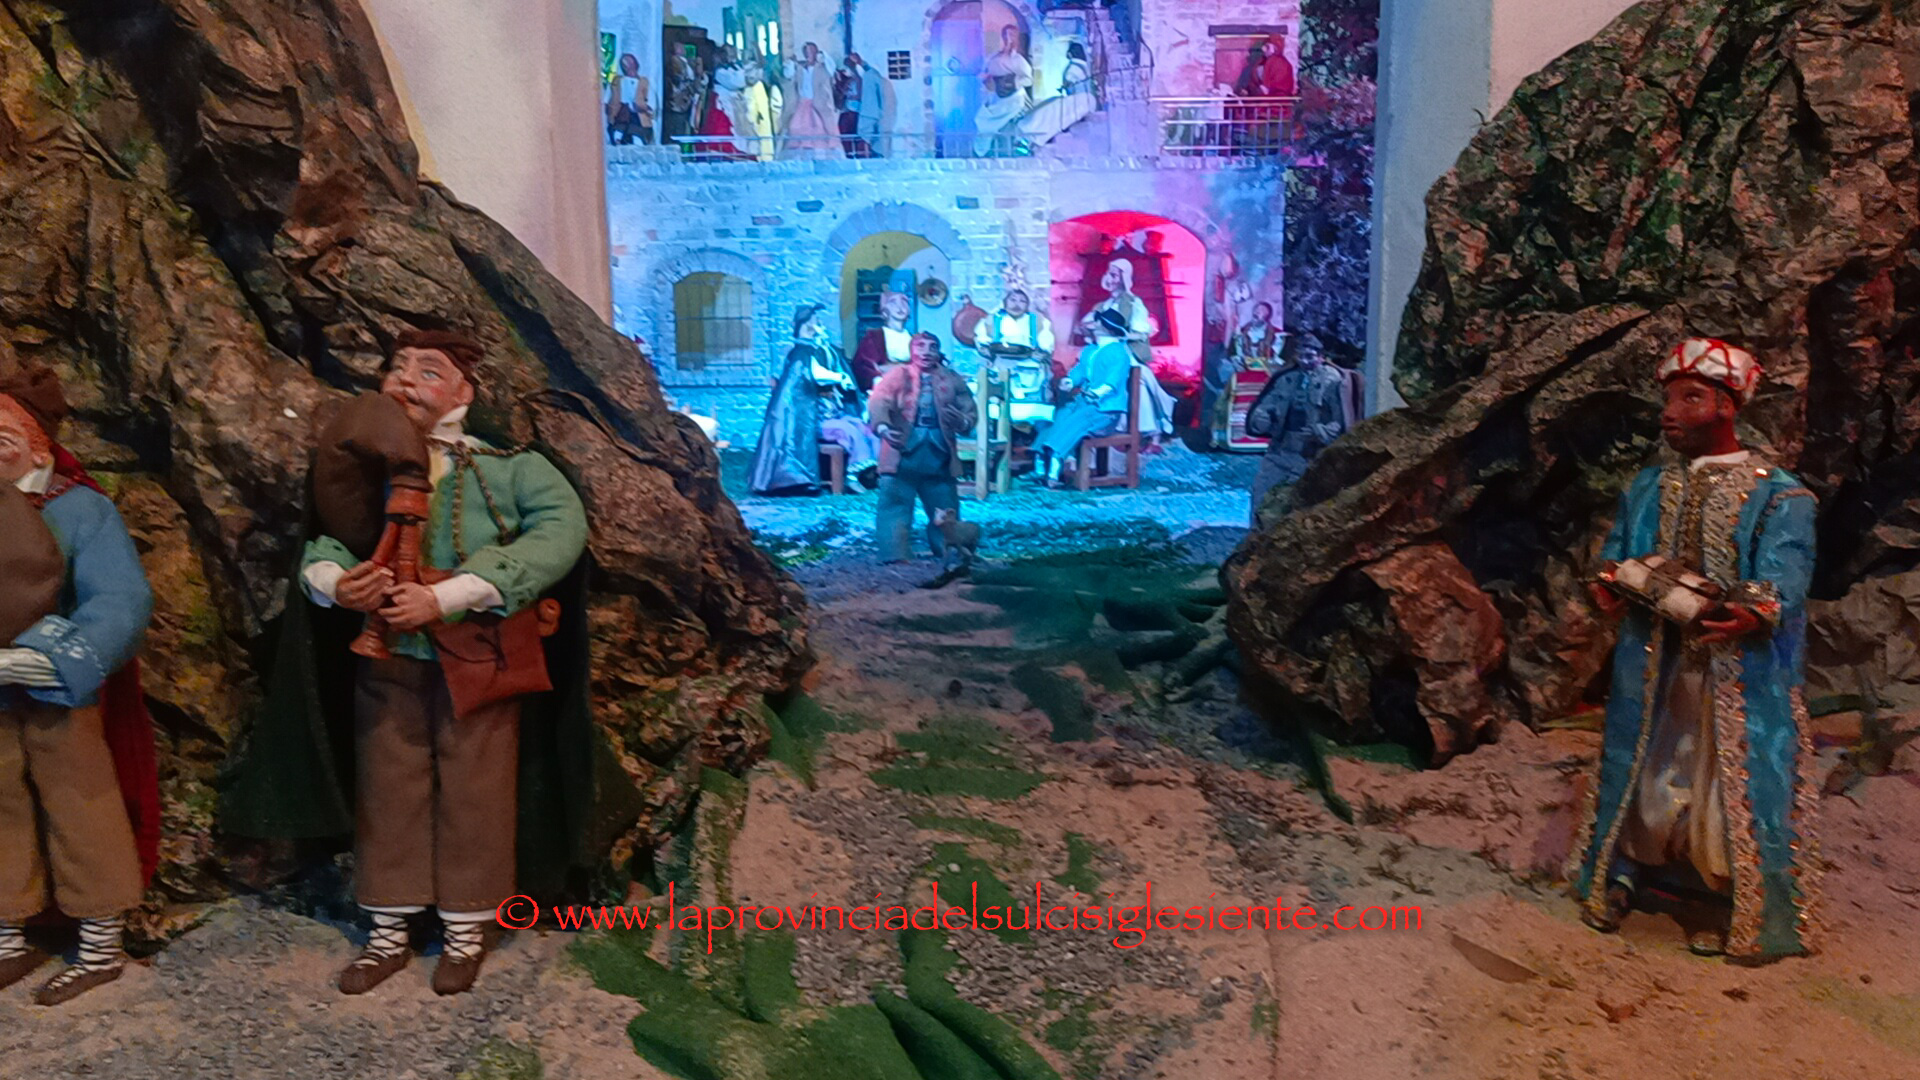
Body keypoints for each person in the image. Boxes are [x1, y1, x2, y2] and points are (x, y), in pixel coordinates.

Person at [222, 330, 592, 997]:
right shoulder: (368, 468)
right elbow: (330, 540)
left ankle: (466, 928)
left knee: (476, 791)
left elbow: (561, 530)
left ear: (464, 392)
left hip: (480, 657)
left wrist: (455, 593)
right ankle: (388, 930)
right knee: (389, 790)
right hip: (390, 657)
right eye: (396, 369)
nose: (404, 381)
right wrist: (336, 583)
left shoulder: (509, 468)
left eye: (428, 371)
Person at [1574, 338, 1822, 961]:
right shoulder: (1650, 485)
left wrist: (1755, 610)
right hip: (1655, 665)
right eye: (1668, 399)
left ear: (1727, 406)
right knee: (1649, 763)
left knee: (1725, 777)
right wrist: (1609, 581)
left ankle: (1729, 899)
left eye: (1690, 398)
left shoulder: (1779, 494)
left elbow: (1786, 570)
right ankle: (1629, 870)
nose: (1670, 413)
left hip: (1732, 674)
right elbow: (1620, 549)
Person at [0, 362, 157, 1006]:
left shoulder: (80, 509)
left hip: (56, 691)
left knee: (82, 808)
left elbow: (120, 598)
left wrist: (51, 657)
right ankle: (8, 934)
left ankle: (99, 944)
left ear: (38, 445)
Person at [868, 334, 977, 563]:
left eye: (932, 347)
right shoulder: (898, 375)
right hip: (903, 449)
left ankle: (947, 548)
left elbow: (968, 409)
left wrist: (963, 422)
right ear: (911, 350)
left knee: (944, 503)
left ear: (938, 352)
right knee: (894, 502)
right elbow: (879, 400)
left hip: (939, 450)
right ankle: (894, 552)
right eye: (920, 346)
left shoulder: (952, 378)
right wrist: (883, 427)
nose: (926, 352)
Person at [750, 304, 880, 494]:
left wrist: (844, 382)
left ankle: (873, 471)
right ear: (807, 325)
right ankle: (851, 475)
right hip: (813, 420)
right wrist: (839, 377)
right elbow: (815, 374)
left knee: (862, 427)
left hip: (832, 412)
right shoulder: (801, 353)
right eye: (815, 321)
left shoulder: (820, 349)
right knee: (849, 431)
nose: (820, 325)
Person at [1243, 344, 1362, 520]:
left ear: (1321, 357)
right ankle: (1258, 532)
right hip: (1281, 451)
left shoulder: (1332, 380)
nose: (1304, 361)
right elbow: (1266, 406)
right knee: (1262, 493)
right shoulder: (1286, 379)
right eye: (1301, 356)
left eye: (1310, 356)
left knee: (1307, 505)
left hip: (1312, 455)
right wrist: (1261, 418)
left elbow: (1341, 421)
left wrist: (1320, 432)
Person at [1080, 259, 1176, 443]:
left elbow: (1140, 333)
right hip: (1104, 353)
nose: (1110, 279)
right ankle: (1107, 428)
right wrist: (1090, 330)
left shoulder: (1133, 303)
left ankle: (1151, 433)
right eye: (1109, 274)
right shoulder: (1101, 306)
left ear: (1124, 278)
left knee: (1139, 384)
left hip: (1124, 353)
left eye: (1115, 275)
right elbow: (1086, 326)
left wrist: (1120, 335)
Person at [1033, 308, 1133, 485]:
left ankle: (1055, 464)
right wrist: (1070, 381)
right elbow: (1080, 371)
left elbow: (1113, 381)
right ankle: (1041, 458)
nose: (1094, 324)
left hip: (1105, 410)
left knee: (1076, 420)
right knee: (1060, 415)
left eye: (1098, 321)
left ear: (1106, 327)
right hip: (1083, 403)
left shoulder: (1118, 352)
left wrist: (1097, 393)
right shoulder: (1090, 350)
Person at [1208, 300, 1284, 445]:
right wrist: (1237, 360)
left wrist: (1272, 364)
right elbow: (1233, 353)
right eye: (1255, 310)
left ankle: (1265, 434)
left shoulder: (1276, 334)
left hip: (1267, 375)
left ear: (1267, 316)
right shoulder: (1243, 332)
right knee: (1227, 398)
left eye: (1260, 311)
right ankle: (1229, 434)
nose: (1256, 313)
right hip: (1243, 372)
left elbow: (1279, 358)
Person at [1019, 41, 1096, 147]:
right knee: (1050, 106)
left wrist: (1066, 87)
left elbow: (1071, 83)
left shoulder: (1073, 68)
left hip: (1077, 100)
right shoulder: (1082, 66)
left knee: (1051, 111)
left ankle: (1033, 131)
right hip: (1078, 99)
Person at [974, 25, 1033, 157]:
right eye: (1006, 35)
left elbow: (1028, 80)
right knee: (982, 119)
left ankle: (1010, 153)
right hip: (996, 97)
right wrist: (986, 80)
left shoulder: (1018, 60)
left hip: (1014, 100)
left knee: (1008, 127)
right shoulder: (993, 58)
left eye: (1011, 35)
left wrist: (1013, 83)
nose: (1008, 38)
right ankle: (982, 152)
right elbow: (983, 74)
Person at [781, 43, 838, 159]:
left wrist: (823, 54)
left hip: (820, 105)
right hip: (802, 105)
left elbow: (832, 66)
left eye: (811, 51)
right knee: (795, 128)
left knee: (820, 129)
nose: (808, 54)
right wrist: (791, 62)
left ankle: (822, 156)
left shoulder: (823, 68)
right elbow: (788, 75)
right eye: (806, 52)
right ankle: (801, 156)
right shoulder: (799, 68)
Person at [696, 46, 753, 160]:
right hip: (723, 104)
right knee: (723, 130)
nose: (731, 57)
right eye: (728, 54)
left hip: (735, 104)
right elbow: (737, 81)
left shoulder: (735, 67)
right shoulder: (720, 72)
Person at [852, 290, 914, 392]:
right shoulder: (874, 337)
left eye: (904, 302)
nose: (900, 307)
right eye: (893, 302)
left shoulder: (915, 339)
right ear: (884, 311)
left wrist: (889, 368)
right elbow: (862, 366)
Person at [973, 288, 1056, 356]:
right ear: (1005, 302)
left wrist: (1043, 353)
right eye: (1013, 300)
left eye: (1022, 301)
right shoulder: (993, 319)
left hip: (1028, 362)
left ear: (1027, 305)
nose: (1017, 304)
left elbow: (1046, 344)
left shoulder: (1037, 321)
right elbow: (981, 339)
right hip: (999, 361)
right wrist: (984, 349)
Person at [606, 54, 653, 145]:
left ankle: (637, 140)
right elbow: (608, 98)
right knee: (619, 127)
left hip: (637, 113)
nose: (629, 68)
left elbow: (650, 100)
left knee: (636, 130)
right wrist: (610, 110)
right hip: (621, 111)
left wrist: (645, 107)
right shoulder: (617, 81)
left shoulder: (643, 82)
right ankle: (618, 138)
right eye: (626, 66)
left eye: (631, 65)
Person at [663, 53, 698, 148]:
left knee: (681, 133)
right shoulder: (669, 79)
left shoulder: (686, 78)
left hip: (683, 109)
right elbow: (672, 92)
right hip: (674, 109)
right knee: (672, 135)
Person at [742, 66, 776, 161]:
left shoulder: (758, 87)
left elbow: (762, 111)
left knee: (762, 131)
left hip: (758, 120)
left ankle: (765, 156)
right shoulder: (746, 88)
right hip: (750, 120)